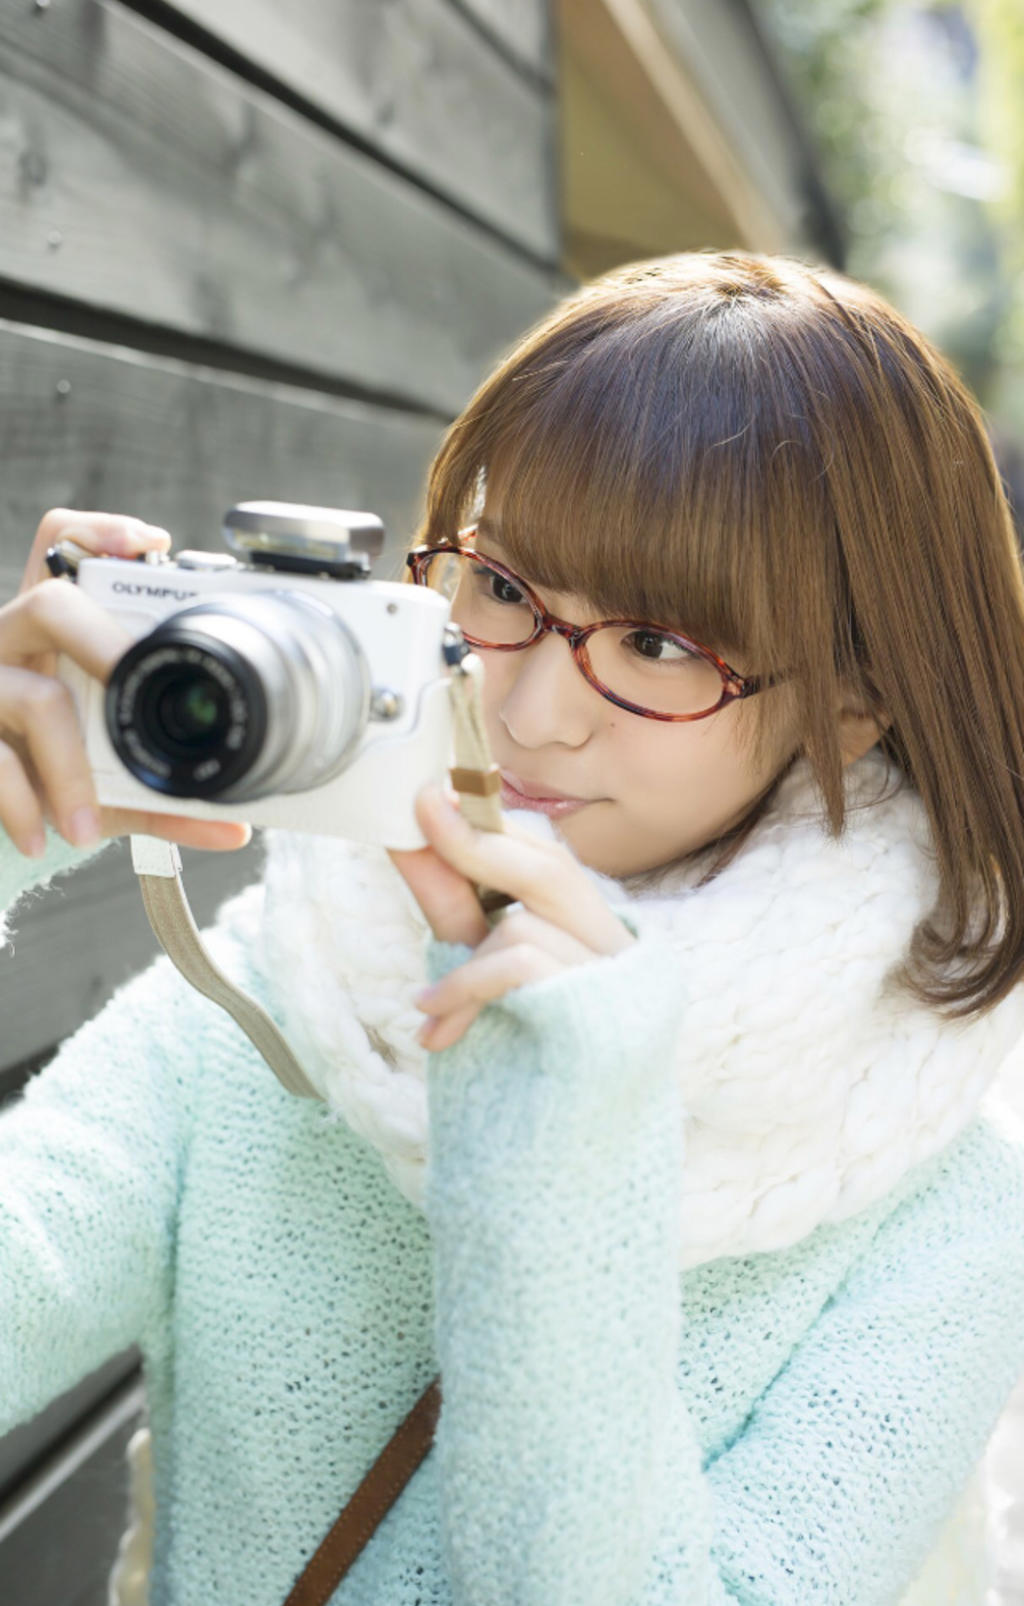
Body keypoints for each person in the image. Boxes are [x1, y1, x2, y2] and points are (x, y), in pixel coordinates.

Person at [1, 250, 1024, 1606]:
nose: (537, 710)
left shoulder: (942, 1206)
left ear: (851, 706)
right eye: (502, 590)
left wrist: (566, 1136)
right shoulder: (272, 989)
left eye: (660, 644)